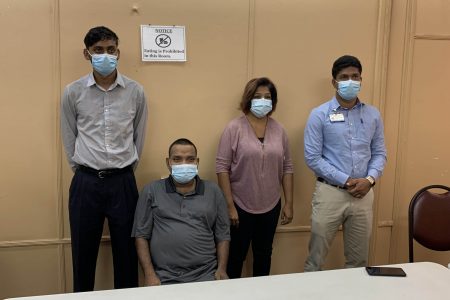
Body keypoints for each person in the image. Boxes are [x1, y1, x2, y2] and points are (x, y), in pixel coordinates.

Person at [60, 26, 148, 291]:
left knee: (127, 255)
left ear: (118, 52)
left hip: (123, 182)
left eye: (111, 50)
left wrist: (125, 170)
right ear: (87, 54)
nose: (105, 55)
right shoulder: (72, 92)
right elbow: (69, 137)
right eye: (98, 50)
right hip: (86, 182)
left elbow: (138, 137)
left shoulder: (135, 91)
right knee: (83, 255)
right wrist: (83, 169)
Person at [303, 55, 387, 271]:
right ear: (334, 82)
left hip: (363, 194)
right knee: (315, 260)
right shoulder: (319, 115)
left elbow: (379, 153)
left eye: (355, 76)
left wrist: (369, 180)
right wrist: (347, 180)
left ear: (361, 79)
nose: (350, 81)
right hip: (329, 192)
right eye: (344, 77)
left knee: (358, 262)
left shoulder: (373, 115)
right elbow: (312, 157)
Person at [216, 77, 294, 278]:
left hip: (271, 204)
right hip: (240, 205)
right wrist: (230, 205)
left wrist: (289, 203)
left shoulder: (279, 130)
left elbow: (287, 166)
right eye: (257, 96)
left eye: (267, 97)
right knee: (236, 257)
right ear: (248, 99)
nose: (263, 100)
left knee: (263, 255)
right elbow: (222, 167)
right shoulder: (234, 128)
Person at [132, 138, 230, 285]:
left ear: (197, 162)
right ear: (168, 162)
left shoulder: (214, 191)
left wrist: (221, 269)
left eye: (190, 159)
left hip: (206, 275)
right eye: (177, 159)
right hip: (164, 277)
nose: (184, 164)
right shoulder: (151, 191)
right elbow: (141, 235)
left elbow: (223, 234)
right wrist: (149, 274)